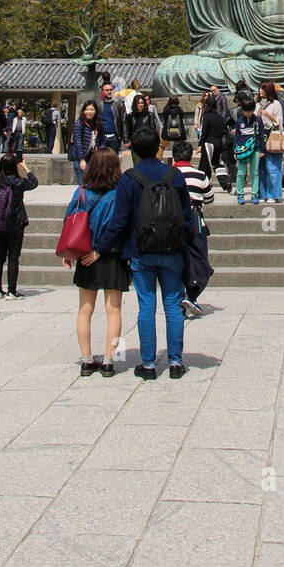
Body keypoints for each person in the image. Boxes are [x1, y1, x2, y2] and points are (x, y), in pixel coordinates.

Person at [106, 126, 195, 379]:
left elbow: (120, 219)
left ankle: (148, 364)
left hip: (140, 249)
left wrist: (104, 246)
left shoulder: (128, 178)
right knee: (172, 304)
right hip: (172, 249)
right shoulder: (174, 175)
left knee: (146, 306)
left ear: (132, 149)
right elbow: (186, 215)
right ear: (159, 146)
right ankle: (176, 362)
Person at [61, 147, 130, 375]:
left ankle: (87, 359)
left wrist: (69, 254)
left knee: (85, 309)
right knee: (114, 310)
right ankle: (109, 360)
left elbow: (69, 221)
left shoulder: (81, 191)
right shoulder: (120, 192)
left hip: (84, 255)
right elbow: (122, 226)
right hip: (111, 256)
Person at [0, 154, 39, 299]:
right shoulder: (18, 182)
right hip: (15, 223)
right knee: (13, 257)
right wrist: (25, 167)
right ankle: (11, 290)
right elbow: (34, 183)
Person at [172, 140, 214, 317]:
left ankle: (180, 297)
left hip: (172, 223)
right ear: (191, 156)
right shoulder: (200, 175)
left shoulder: (169, 174)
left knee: (177, 261)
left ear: (174, 156)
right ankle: (192, 295)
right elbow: (210, 199)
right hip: (195, 221)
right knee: (199, 260)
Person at [233, 96, 266, 204]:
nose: (247, 113)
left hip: (255, 148)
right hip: (242, 150)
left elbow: (262, 135)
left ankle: (254, 194)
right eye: (245, 111)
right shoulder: (239, 121)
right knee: (241, 173)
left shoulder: (258, 120)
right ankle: (240, 194)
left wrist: (262, 150)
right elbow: (237, 136)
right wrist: (235, 150)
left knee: (255, 172)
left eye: (250, 111)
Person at [257, 81, 284, 202]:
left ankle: (273, 194)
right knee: (261, 167)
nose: (259, 91)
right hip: (260, 136)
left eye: (261, 89)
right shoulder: (257, 104)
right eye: (259, 88)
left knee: (273, 167)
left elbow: (280, 123)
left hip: (272, 136)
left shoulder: (276, 104)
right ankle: (262, 194)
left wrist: (269, 115)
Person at [71, 101, 104, 184]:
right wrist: (81, 160)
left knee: (94, 183)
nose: (88, 112)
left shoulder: (98, 123)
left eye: (91, 109)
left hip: (93, 157)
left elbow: (102, 140)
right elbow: (77, 142)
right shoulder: (79, 123)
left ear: (96, 111)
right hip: (80, 158)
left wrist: (100, 154)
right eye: (86, 109)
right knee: (83, 184)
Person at [98, 80, 127, 156]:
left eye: (111, 90)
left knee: (113, 162)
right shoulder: (99, 105)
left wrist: (125, 139)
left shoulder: (119, 104)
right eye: (107, 90)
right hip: (102, 137)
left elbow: (124, 121)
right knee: (102, 161)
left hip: (114, 137)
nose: (109, 92)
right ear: (103, 92)